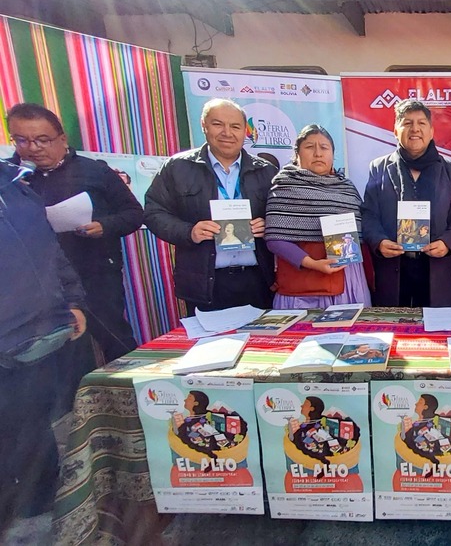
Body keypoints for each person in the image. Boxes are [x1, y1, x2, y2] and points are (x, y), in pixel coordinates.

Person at [5, 103, 141, 361]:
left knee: (115, 340)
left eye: (43, 140)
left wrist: (105, 226)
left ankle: (128, 396)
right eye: (22, 140)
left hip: (96, 274)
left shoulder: (94, 171)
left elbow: (134, 214)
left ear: (62, 139)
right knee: (56, 354)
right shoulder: (9, 179)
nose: (33, 148)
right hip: (38, 283)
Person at [0, 159, 88, 537]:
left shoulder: (17, 186)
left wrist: (72, 299)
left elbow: (51, 253)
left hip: (34, 332)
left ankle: (40, 503)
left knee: (33, 421)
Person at [144, 99, 277, 313]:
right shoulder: (178, 167)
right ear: (204, 126)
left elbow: (282, 215)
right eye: (218, 124)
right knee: (210, 346)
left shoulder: (266, 171)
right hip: (205, 283)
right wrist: (189, 231)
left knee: (261, 345)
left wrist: (269, 224)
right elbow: (153, 212)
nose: (227, 133)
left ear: (246, 131)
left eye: (235, 126)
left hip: (258, 281)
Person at [361, 99, 451, 307]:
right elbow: (369, 214)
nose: (415, 129)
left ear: (431, 131)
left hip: (436, 273)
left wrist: (447, 243)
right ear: (395, 130)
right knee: (393, 335)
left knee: (436, 336)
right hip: (393, 273)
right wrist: (379, 241)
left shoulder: (450, 170)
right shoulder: (379, 168)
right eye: (407, 123)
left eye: (421, 123)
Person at [265, 124, 370, 308]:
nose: (318, 153)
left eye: (324, 147)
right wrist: (312, 263)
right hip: (302, 281)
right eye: (309, 147)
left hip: (347, 279)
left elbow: (360, 236)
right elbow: (275, 238)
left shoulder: (347, 188)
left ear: (332, 154)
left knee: (352, 334)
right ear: (297, 155)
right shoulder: (284, 186)